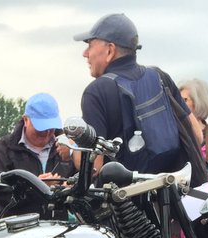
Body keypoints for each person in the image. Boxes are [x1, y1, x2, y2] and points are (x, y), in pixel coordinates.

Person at [75, 13, 186, 174]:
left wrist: (73, 148)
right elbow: (196, 134)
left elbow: (94, 167)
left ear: (110, 50)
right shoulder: (159, 77)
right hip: (169, 193)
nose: (85, 53)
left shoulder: (96, 91)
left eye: (90, 45)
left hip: (122, 196)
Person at [0, 93, 76, 220]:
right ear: (25, 120)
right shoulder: (4, 148)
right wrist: (34, 188)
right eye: (41, 128)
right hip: (14, 230)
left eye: (51, 128)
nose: (46, 133)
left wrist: (70, 189)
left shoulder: (67, 149)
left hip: (56, 230)